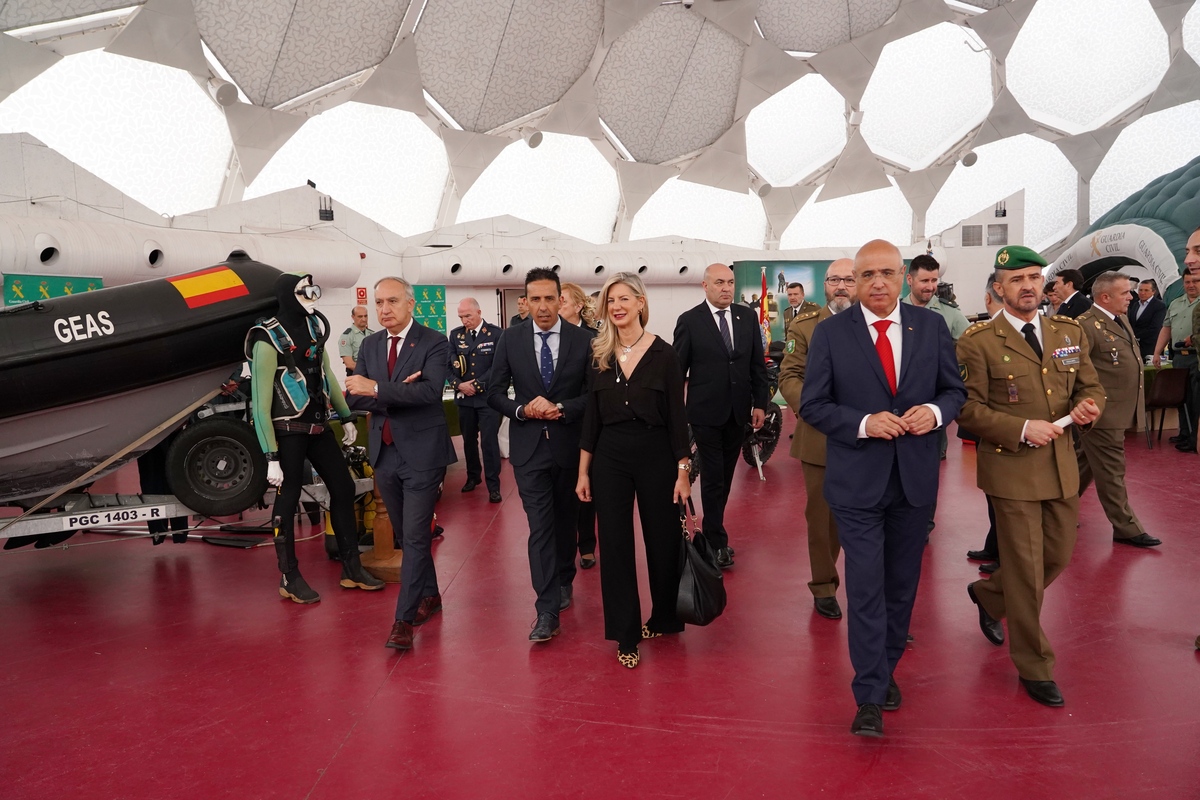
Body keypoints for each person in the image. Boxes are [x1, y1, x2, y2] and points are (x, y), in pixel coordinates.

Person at [800, 240, 965, 738]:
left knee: (901, 586)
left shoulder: (931, 326)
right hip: (856, 485)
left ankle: (886, 667)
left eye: (886, 273)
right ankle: (869, 692)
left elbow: (954, 391)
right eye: (865, 274)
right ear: (853, 279)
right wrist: (865, 423)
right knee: (866, 586)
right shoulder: (831, 334)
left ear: (903, 277)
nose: (876, 282)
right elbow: (813, 405)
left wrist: (934, 414)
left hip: (914, 483)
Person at [957, 246, 1104, 709]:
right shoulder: (978, 341)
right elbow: (967, 408)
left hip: (1061, 466)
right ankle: (1034, 665)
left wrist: (1090, 407)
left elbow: (1090, 384)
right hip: (1011, 470)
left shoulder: (1068, 330)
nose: (1028, 286)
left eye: (1035, 277)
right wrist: (1021, 427)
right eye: (1016, 278)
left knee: (1056, 558)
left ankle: (987, 593)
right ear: (998, 288)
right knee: (1024, 572)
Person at [576, 273, 690, 669]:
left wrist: (683, 471)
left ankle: (663, 618)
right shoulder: (599, 355)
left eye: (625, 299)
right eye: (611, 301)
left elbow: (678, 421)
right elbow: (591, 419)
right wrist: (583, 472)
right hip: (609, 460)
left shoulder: (665, 355)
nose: (618, 306)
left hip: (657, 456)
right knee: (616, 545)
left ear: (640, 303)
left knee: (663, 541)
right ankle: (626, 633)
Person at [248, 273, 382, 604]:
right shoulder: (267, 339)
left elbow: (327, 378)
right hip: (288, 434)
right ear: (287, 295)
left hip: (320, 428)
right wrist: (270, 456)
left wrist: (346, 416)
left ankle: (352, 568)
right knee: (288, 498)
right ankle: (289, 576)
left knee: (344, 488)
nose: (311, 296)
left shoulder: (313, 330)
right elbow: (261, 403)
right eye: (303, 291)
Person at [345, 277, 457, 652]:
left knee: (413, 536)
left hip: (423, 454)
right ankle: (431, 595)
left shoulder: (434, 341)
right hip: (385, 453)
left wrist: (378, 388)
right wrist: (396, 392)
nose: (384, 309)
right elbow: (354, 399)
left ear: (411, 304)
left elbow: (429, 392)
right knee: (406, 535)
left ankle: (403, 620)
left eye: (392, 301)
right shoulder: (371, 344)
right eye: (378, 303)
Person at [487, 268, 593, 643]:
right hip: (528, 450)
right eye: (536, 299)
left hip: (569, 448)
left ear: (561, 299)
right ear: (527, 301)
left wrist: (561, 407)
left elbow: (592, 397)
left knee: (567, 524)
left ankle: (564, 578)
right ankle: (546, 610)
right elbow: (494, 391)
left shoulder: (583, 341)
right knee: (540, 527)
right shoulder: (510, 340)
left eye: (551, 298)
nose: (544, 306)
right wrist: (521, 410)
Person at [673, 263, 770, 569]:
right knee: (714, 477)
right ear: (705, 286)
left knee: (725, 478)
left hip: (738, 413)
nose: (726, 288)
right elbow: (677, 371)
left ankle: (714, 530)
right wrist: (673, 413)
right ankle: (716, 542)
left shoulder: (746, 317)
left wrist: (760, 405)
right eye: (719, 282)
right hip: (704, 413)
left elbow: (757, 365)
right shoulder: (690, 321)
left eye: (730, 282)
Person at [778, 258, 856, 621]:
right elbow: (789, 375)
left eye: (849, 279)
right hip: (821, 437)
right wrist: (812, 410)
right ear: (824, 285)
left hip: (874, 437)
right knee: (823, 519)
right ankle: (823, 586)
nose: (842, 286)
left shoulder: (879, 325)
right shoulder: (806, 326)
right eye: (835, 279)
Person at [1074, 272, 1160, 548]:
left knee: (1083, 465)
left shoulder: (1120, 319)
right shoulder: (1084, 326)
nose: (1132, 297)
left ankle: (1052, 508)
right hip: (1101, 412)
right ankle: (1126, 527)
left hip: (1119, 409)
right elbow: (1076, 372)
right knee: (1112, 470)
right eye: (1125, 293)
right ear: (1105, 297)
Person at [904, 254, 971, 469]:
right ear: (909, 280)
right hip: (901, 392)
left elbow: (973, 344)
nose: (930, 287)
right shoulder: (895, 310)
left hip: (934, 395)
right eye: (925, 281)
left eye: (934, 281)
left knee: (933, 457)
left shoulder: (949, 313)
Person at [965, 274, 1005, 576]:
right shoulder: (980, 335)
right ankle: (995, 545)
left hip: (1006, 430)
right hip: (989, 426)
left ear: (988, 298)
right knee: (994, 492)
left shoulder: (982, 334)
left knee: (1003, 497)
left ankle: (1002, 553)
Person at [448, 298, 503, 503]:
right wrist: (458, 385)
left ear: (479, 312)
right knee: (469, 441)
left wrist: (477, 385)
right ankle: (473, 477)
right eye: (461, 317)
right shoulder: (455, 335)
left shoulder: (496, 334)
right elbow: (448, 365)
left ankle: (493, 485)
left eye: (468, 316)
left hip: (487, 398)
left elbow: (498, 366)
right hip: (464, 398)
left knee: (489, 442)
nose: (465, 320)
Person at [561, 282, 599, 569]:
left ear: (577, 306)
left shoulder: (595, 339)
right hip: (552, 426)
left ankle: (586, 544)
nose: (555, 305)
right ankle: (562, 545)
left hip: (585, 422)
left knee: (586, 485)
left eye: (561, 300)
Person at [1152, 270, 1200, 453]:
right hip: (1179, 357)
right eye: (1187, 282)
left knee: (1196, 399)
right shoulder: (1174, 304)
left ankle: (1195, 438)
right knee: (1181, 396)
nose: (1191, 285)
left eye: (1195, 281)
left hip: (1197, 356)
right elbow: (1166, 329)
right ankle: (1184, 433)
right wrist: (1157, 352)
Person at [1130, 279, 1166, 360]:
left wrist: (1136, 336)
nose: (1142, 293)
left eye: (1146, 290)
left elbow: (1155, 327)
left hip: (1150, 346)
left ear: (1153, 292)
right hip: (1135, 346)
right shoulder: (1135, 305)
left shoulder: (1159, 306)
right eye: (1140, 290)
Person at [338, 305, 374, 375]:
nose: (364, 319)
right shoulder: (347, 336)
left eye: (365, 316)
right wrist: (368, 373)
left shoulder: (372, 334)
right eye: (360, 316)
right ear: (353, 317)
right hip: (356, 375)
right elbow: (349, 364)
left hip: (373, 375)